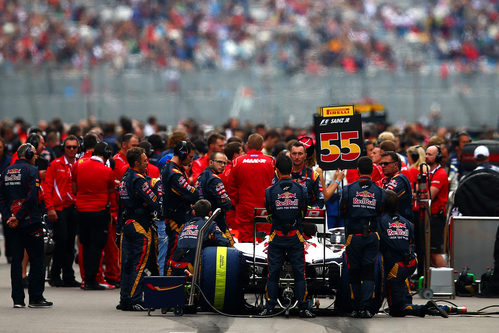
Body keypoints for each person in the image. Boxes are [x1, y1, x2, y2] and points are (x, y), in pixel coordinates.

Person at [260, 154, 315, 318]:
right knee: (300, 272)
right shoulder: (301, 189)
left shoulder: (269, 191)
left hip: (276, 236)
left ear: (276, 170)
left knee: (273, 273)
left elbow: (269, 213)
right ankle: (303, 308)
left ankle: (270, 307)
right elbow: (304, 211)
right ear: (291, 169)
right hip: (295, 236)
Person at [378, 190, 447, 318]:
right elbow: (410, 242)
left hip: (396, 267)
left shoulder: (380, 221)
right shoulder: (407, 223)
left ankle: (427, 308)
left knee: (397, 310)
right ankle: (406, 301)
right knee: (401, 279)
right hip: (410, 263)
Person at [0, 143, 53, 308]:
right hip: (30, 222)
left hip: (12, 224)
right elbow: (31, 198)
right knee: (37, 260)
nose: (36, 158)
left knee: (16, 261)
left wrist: (10, 217)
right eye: (35, 155)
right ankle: (36, 298)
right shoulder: (32, 171)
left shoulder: (6, 171)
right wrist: (19, 216)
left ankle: (17, 300)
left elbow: (2, 200)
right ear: (29, 154)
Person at [116, 147, 161, 311]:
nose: (147, 163)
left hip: (126, 224)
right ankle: (134, 299)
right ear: (136, 163)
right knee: (139, 265)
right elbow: (154, 201)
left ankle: (125, 299)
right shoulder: (138, 180)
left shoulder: (125, 177)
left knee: (127, 265)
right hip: (140, 226)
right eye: (144, 161)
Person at [340, 156, 385, 318]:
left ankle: (356, 307)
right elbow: (381, 211)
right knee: (368, 271)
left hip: (354, 235)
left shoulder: (347, 190)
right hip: (372, 235)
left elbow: (342, 211)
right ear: (372, 170)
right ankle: (365, 307)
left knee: (354, 272)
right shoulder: (380, 191)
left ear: (357, 170)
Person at [72, 142, 115, 290]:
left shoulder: (78, 166)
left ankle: (85, 279)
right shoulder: (107, 171)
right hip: (99, 211)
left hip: (81, 210)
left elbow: (75, 189)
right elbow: (110, 190)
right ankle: (91, 280)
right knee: (97, 247)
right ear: (106, 155)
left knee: (85, 244)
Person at [44, 135, 81, 287]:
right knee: (61, 241)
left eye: (74, 147)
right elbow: (47, 188)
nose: (71, 149)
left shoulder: (80, 164)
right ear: (63, 148)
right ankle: (54, 275)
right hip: (59, 209)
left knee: (70, 242)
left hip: (74, 208)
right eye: (68, 147)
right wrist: (50, 208)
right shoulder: (55, 164)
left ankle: (68, 275)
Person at [227, 134, 275, 242]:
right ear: (262, 147)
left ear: (247, 145)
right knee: (265, 239)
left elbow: (231, 189)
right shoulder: (271, 162)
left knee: (245, 240)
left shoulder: (236, 162)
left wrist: (235, 205)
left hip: (244, 209)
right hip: (265, 208)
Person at [166, 199, 230, 276]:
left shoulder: (186, 225)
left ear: (193, 212)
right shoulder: (210, 224)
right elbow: (224, 242)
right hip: (194, 268)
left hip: (174, 266)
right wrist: (211, 243)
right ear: (210, 213)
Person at [161, 140, 200, 265]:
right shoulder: (174, 173)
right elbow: (192, 193)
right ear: (182, 154)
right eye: (190, 157)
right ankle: (167, 281)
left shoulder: (174, 169)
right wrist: (196, 190)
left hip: (179, 216)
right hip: (175, 219)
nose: (191, 160)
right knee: (174, 253)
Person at [195, 151, 234, 245]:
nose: (223, 165)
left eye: (224, 163)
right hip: (217, 222)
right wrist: (228, 202)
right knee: (231, 247)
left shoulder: (201, 176)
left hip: (201, 221)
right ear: (211, 162)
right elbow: (226, 203)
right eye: (219, 162)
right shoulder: (215, 179)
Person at [425, 145, 449, 268]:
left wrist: (417, 193)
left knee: (434, 252)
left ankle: (446, 282)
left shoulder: (440, 174)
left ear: (438, 157)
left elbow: (429, 195)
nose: (426, 156)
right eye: (426, 153)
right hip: (428, 216)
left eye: (430, 154)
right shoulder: (427, 172)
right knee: (427, 252)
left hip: (436, 216)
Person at [379, 151, 413, 221]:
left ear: (395, 164)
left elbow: (386, 198)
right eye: (381, 163)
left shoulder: (399, 179)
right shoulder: (388, 179)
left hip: (401, 224)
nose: (382, 166)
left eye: (386, 163)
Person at [289, 141, 324, 209]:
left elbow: (320, 201)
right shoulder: (282, 173)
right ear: (290, 155)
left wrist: (308, 210)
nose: (297, 157)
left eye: (300, 154)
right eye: (294, 154)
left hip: (306, 216)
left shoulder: (314, 175)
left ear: (305, 156)